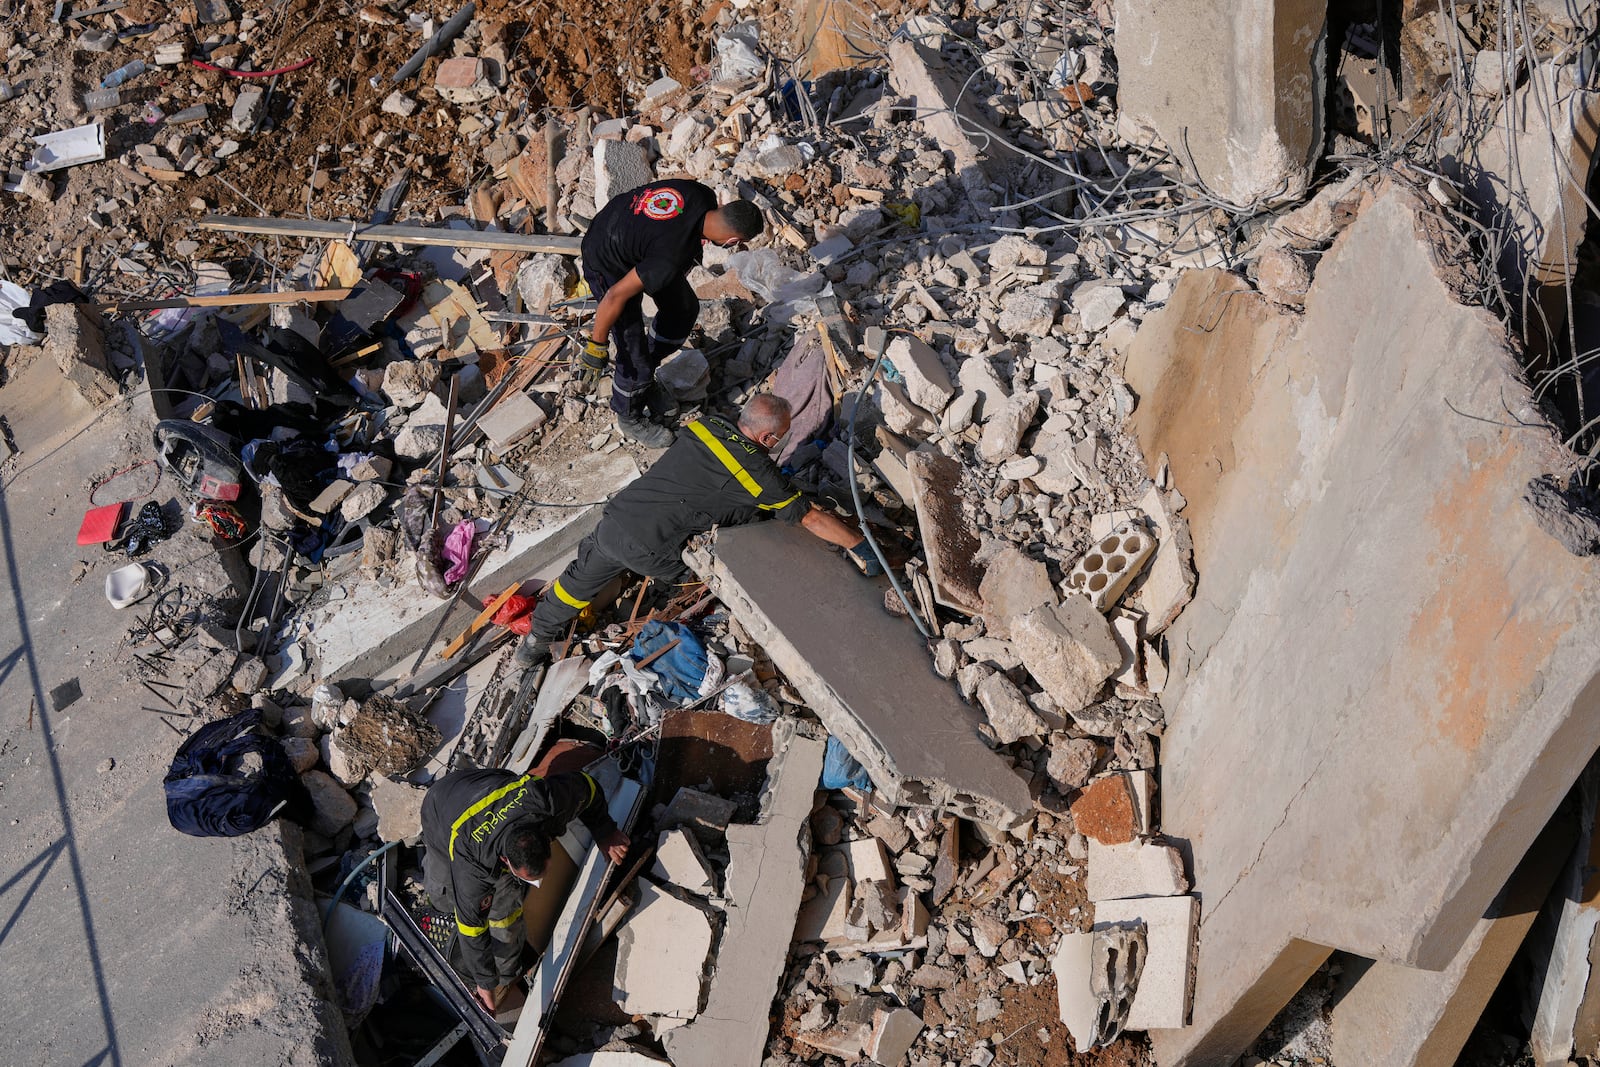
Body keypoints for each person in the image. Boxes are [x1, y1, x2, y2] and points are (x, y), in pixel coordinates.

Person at [517, 394, 883, 667]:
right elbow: (809, 518)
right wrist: (861, 546)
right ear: (769, 437)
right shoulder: (758, 472)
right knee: (701, 572)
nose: (784, 441)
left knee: (575, 584)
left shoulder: (707, 425)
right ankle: (670, 585)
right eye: (784, 435)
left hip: (617, 520)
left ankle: (534, 642)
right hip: (652, 550)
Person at [573, 179, 765, 447]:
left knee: (683, 309)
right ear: (733, 240)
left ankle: (645, 373)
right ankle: (629, 415)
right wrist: (596, 347)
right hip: (607, 256)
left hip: (634, 234)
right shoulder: (670, 256)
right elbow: (614, 295)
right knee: (632, 349)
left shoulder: (701, 195)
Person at [420, 767, 630, 1011]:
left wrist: (605, 831)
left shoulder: (544, 800)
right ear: (506, 861)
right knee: (446, 893)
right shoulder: (472, 868)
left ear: (542, 835)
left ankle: (507, 977)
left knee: (505, 902)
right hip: (439, 811)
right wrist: (485, 983)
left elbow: (588, 787)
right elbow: (471, 928)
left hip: (480, 785)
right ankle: (445, 911)